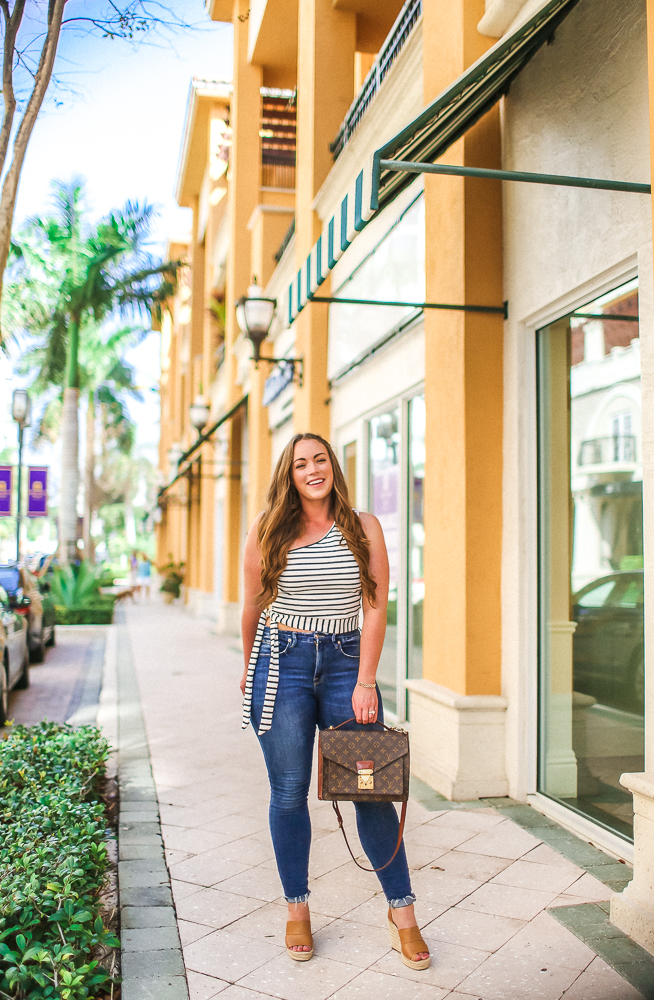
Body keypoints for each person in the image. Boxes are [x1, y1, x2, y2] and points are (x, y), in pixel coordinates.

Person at [241, 432, 430, 969]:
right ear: (290, 475)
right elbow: (252, 606)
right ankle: (297, 908)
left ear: (332, 467)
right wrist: (246, 667)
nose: (312, 469)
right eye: (300, 464)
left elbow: (375, 605)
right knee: (289, 790)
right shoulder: (267, 528)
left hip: (348, 663)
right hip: (282, 663)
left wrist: (366, 679)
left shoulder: (362, 527)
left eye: (319, 459)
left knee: (371, 789)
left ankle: (403, 912)